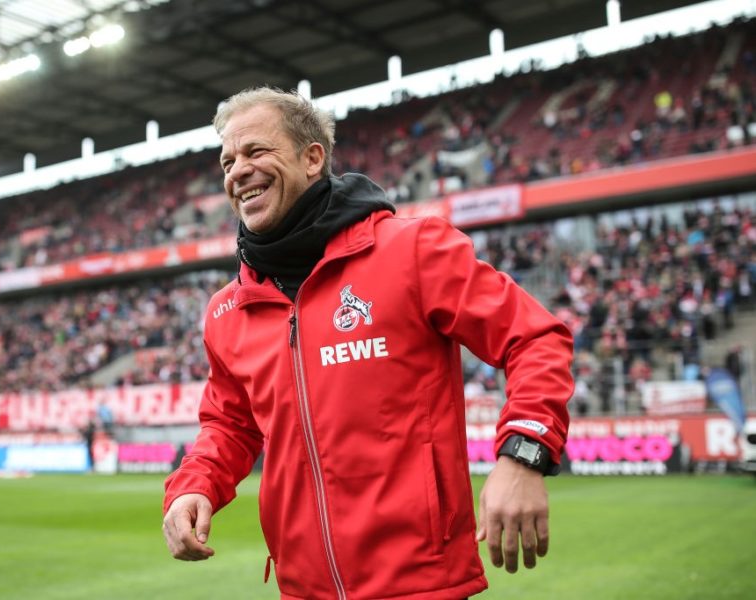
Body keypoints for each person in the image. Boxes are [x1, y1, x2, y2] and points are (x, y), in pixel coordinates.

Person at [162, 87, 574, 599]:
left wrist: (523, 455)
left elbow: (534, 337)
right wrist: (192, 487)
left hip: (420, 584)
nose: (237, 171)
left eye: (256, 152)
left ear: (313, 158)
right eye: (227, 161)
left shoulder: (412, 249)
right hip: (303, 588)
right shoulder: (228, 309)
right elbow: (228, 424)